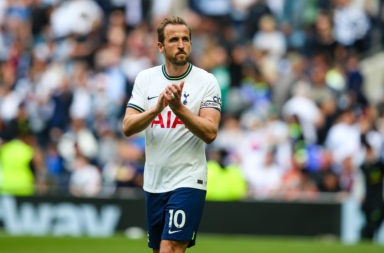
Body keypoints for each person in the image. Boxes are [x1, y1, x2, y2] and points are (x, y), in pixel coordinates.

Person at [122, 16, 222, 253]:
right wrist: (156, 109)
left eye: (185, 39)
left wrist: (179, 109)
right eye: (174, 39)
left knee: (171, 248)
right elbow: (128, 126)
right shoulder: (146, 79)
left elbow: (210, 132)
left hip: (188, 179)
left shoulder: (206, 81)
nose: (181, 44)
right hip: (154, 181)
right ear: (160, 46)